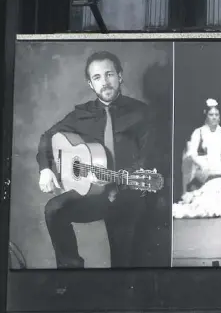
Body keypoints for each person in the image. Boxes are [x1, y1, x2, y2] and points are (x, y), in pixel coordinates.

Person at [37, 51, 154, 269]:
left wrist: (118, 179)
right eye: (97, 77)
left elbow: (148, 158)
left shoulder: (141, 113)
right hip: (92, 197)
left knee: (123, 267)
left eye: (109, 74)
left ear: (120, 76)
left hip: (126, 196)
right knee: (54, 209)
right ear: (90, 84)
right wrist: (46, 169)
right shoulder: (82, 114)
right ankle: (71, 273)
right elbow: (47, 137)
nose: (105, 82)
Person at [173, 98, 221, 218]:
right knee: (211, 180)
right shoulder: (198, 132)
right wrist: (203, 165)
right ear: (206, 116)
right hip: (203, 166)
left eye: (217, 114)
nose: (214, 117)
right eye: (211, 115)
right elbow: (192, 153)